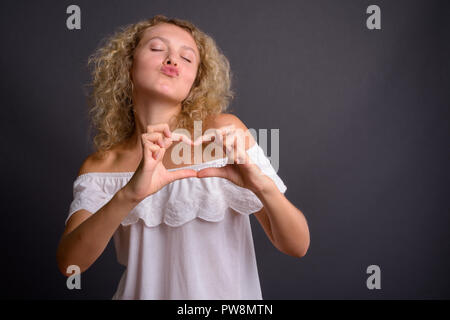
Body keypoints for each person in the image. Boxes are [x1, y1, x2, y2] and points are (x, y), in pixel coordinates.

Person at [56, 14, 310, 300]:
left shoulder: (224, 135)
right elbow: (70, 265)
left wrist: (261, 186)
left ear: (195, 82)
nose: (172, 60)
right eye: (156, 49)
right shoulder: (101, 166)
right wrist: (129, 195)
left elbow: (297, 245)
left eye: (187, 58)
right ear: (127, 65)